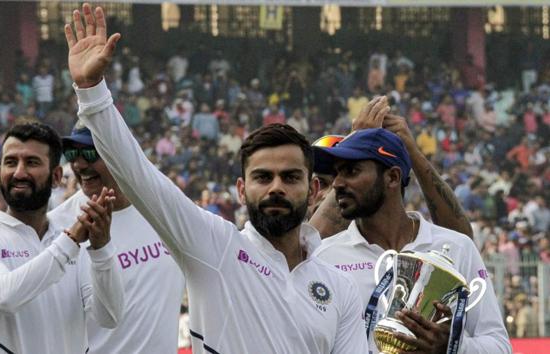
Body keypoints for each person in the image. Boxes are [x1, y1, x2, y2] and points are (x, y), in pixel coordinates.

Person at [64, 4, 368, 353]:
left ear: (314, 189)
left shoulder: (337, 287)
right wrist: (92, 92)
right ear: (241, 189)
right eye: (262, 177)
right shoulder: (215, 249)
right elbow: (139, 174)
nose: (276, 188)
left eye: (290, 177)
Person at [312, 128, 511, 353]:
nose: (337, 183)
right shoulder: (324, 256)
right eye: (337, 173)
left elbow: (499, 346)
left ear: (393, 177)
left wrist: (452, 347)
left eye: (352, 171)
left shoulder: (457, 248)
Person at [0, 122, 123, 353]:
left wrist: (102, 248)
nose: (19, 173)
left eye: (32, 162)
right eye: (11, 162)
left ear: (56, 177)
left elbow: (109, 317)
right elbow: (4, 297)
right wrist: (70, 241)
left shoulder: (74, 244)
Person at [48, 123, 185, 353]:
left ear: (123, 154)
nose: (79, 164)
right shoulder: (58, 228)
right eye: (72, 153)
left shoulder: (165, 210)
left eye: (90, 153)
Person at [310, 96, 473, 240]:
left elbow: (461, 243)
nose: (335, 188)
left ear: (392, 179)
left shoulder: (417, 238)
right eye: (323, 184)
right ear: (309, 191)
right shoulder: (315, 252)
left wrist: (412, 152)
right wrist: (360, 138)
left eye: (351, 172)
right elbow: (312, 245)